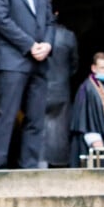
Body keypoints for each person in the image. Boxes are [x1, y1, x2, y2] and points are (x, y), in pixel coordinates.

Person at [0, 0, 55, 169]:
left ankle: (29, 167)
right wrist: (30, 45)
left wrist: (48, 44)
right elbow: (0, 19)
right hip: (13, 60)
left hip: (41, 60)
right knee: (7, 116)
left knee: (36, 118)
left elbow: (50, 20)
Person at [39, 13, 79, 168]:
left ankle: (40, 162)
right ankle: (59, 163)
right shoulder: (69, 36)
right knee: (60, 129)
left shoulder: (37, 34)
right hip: (61, 87)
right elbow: (74, 63)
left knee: (38, 127)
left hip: (40, 86)